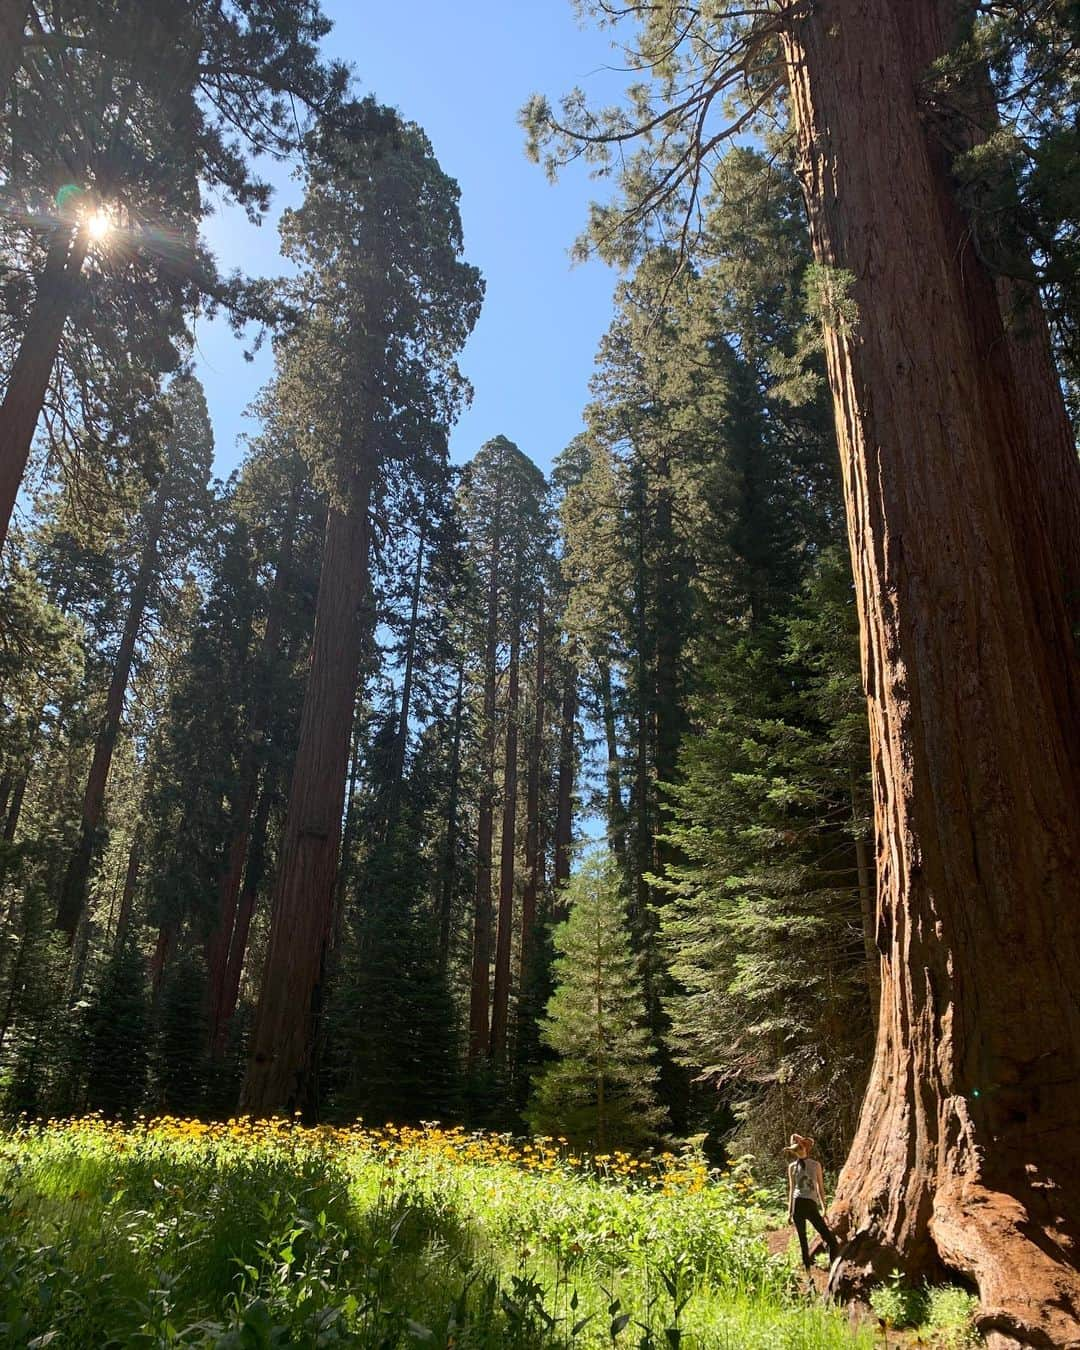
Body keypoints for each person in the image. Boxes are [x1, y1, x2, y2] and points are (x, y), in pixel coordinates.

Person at [785, 1132, 839, 1270]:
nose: (800, 1151)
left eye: (801, 1147)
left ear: (806, 1148)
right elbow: (792, 1189)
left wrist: (824, 1207)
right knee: (803, 1241)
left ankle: (834, 1270)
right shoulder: (792, 1167)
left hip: (811, 1204)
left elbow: (820, 1187)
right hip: (798, 1203)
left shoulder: (815, 1165)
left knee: (830, 1240)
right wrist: (789, 1211)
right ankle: (808, 1274)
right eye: (796, 1149)